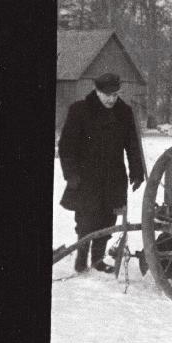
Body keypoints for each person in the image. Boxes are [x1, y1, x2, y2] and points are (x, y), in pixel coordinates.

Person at [59, 73, 145, 273]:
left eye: (115, 95)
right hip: (86, 175)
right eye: (106, 94)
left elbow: (132, 145)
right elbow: (66, 146)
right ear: (97, 91)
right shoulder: (80, 110)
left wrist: (137, 170)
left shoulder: (124, 112)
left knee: (109, 218)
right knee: (86, 218)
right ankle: (81, 258)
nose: (111, 99)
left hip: (114, 175)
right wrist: (70, 174)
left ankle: (98, 259)